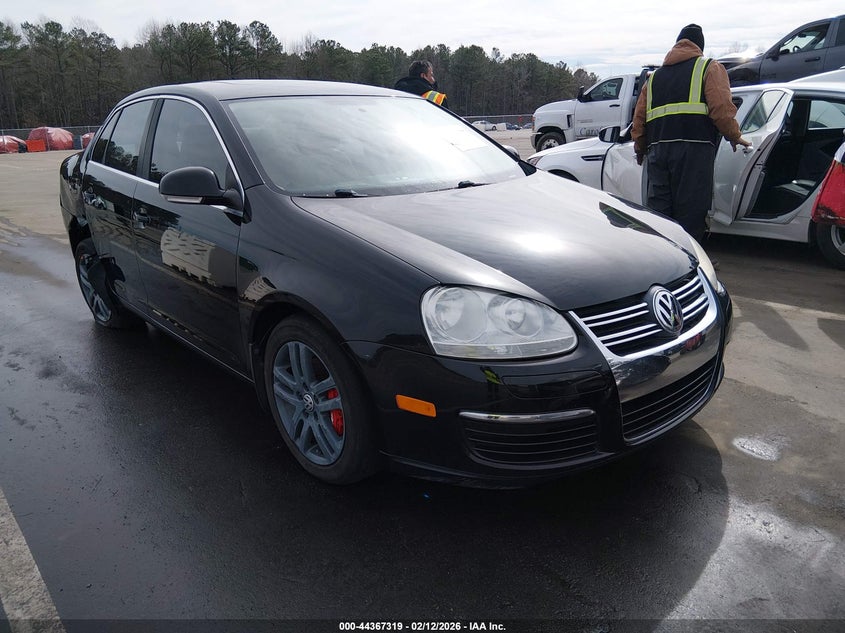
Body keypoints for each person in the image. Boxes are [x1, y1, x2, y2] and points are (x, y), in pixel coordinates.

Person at [632, 24, 751, 243]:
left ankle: (664, 260)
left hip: (658, 151)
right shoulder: (709, 68)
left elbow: (639, 120)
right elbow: (722, 110)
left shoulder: (654, 78)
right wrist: (733, 135)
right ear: (700, 47)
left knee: (660, 210)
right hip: (694, 150)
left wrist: (640, 149)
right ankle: (690, 264)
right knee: (691, 209)